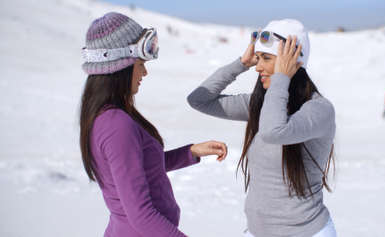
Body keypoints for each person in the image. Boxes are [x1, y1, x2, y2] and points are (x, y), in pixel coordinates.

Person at [79, 12, 228, 237]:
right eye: (140, 64)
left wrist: (190, 152)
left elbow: (137, 169)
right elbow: (141, 216)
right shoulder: (117, 126)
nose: (145, 72)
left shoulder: (106, 117)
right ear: (120, 66)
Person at [188, 19, 337, 237]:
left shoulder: (319, 110)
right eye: (257, 58)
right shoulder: (261, 105)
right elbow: (199, 100)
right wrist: (241, 63)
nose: (258, 67)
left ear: (294, 59)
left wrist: (281, 77)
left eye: (266, 58)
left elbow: (273, 131)